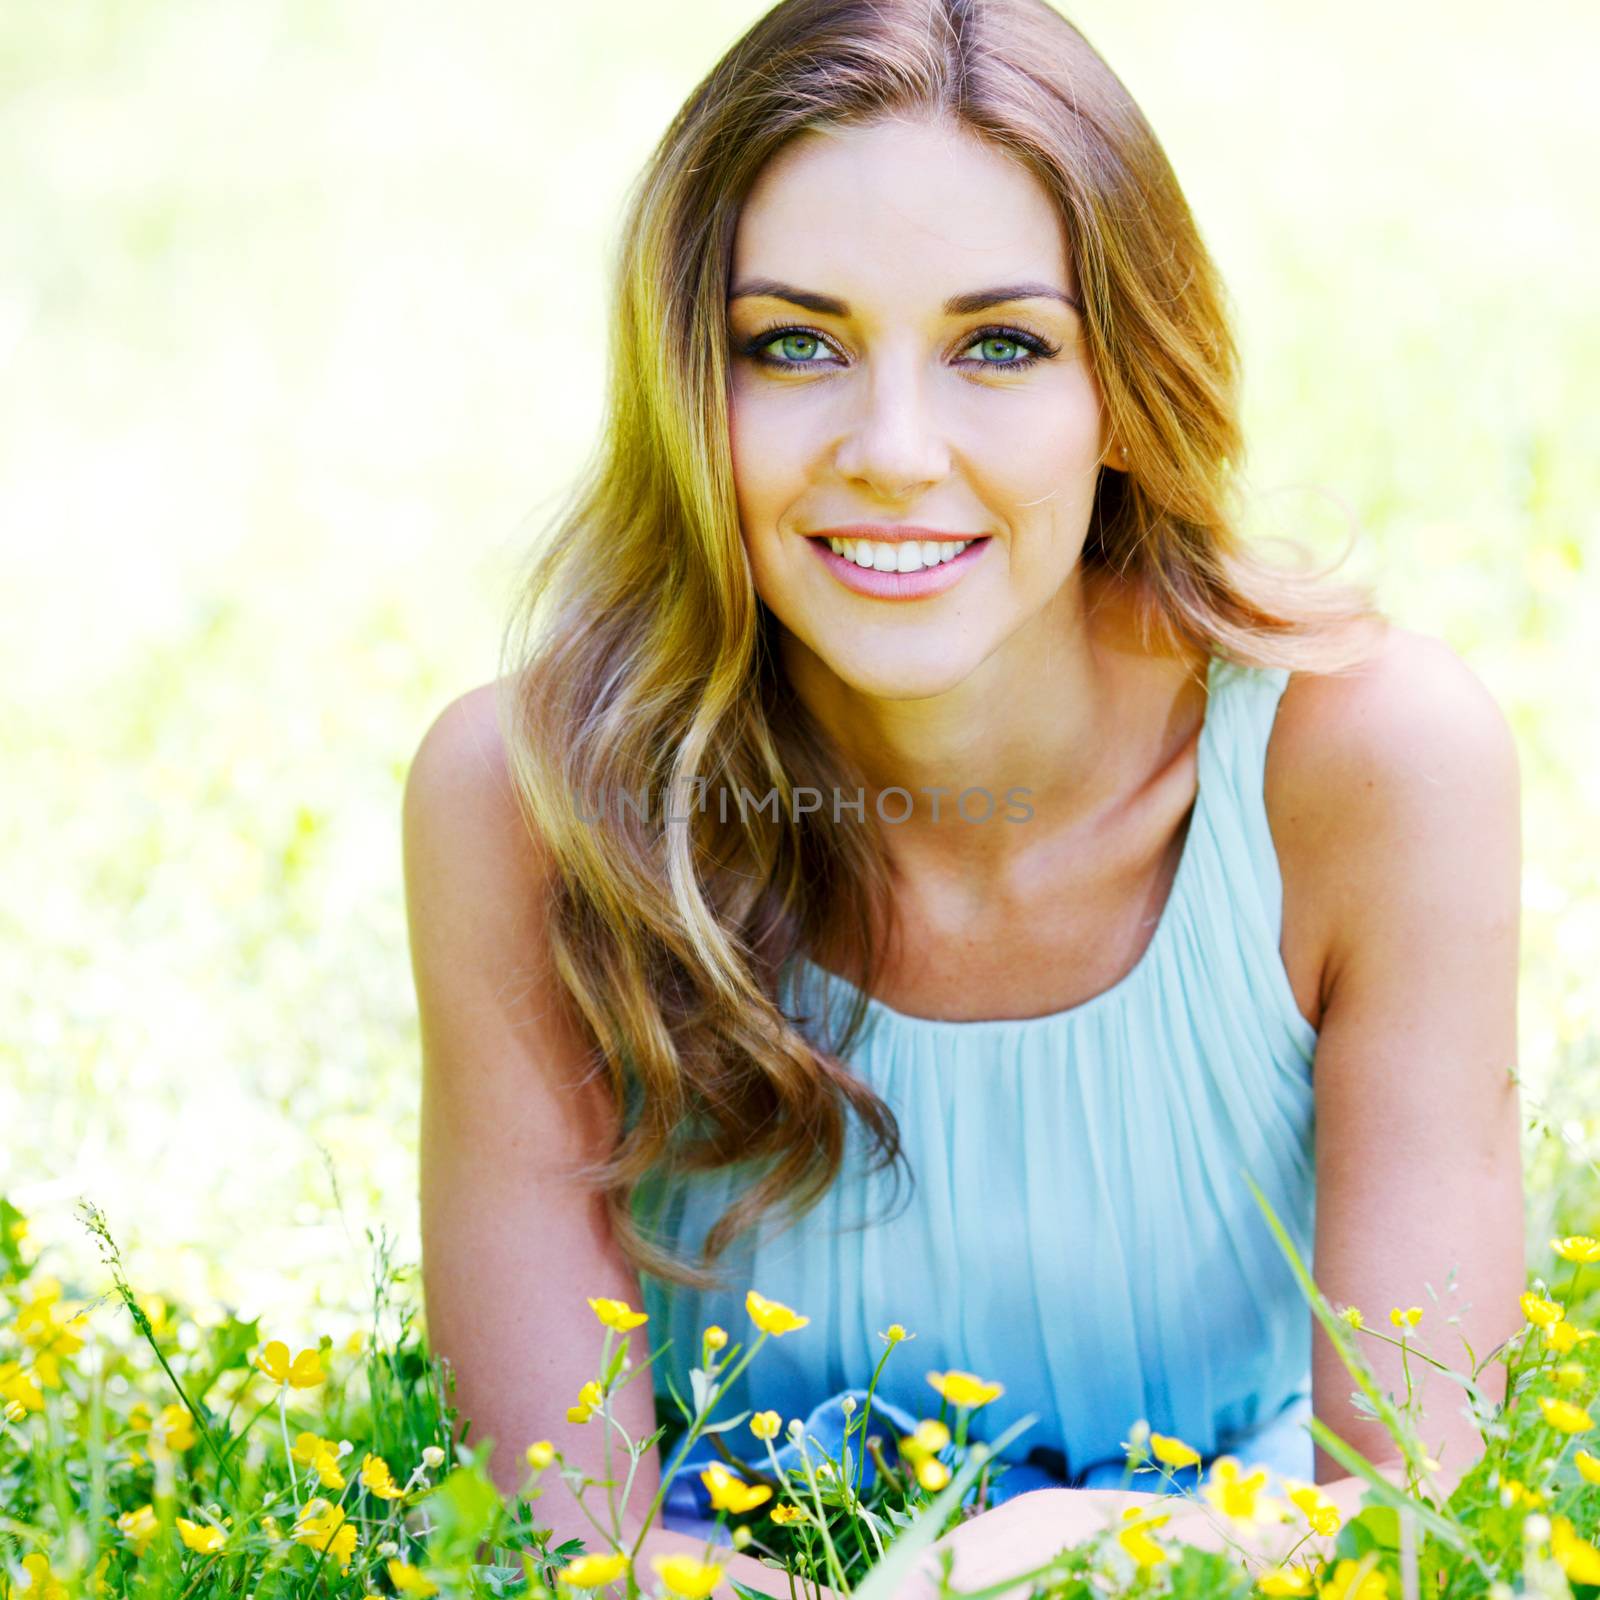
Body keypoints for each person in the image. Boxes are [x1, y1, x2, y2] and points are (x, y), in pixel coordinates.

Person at [403, 0, 1525, 1590]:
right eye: (794, 343)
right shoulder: (528, 809)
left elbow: (1416, 1508)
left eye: (1001, 344)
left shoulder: (1368, 766)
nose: (895, 451)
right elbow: (564, 1538)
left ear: (1125, 389)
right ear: (685, 388)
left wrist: (1087, 1550)